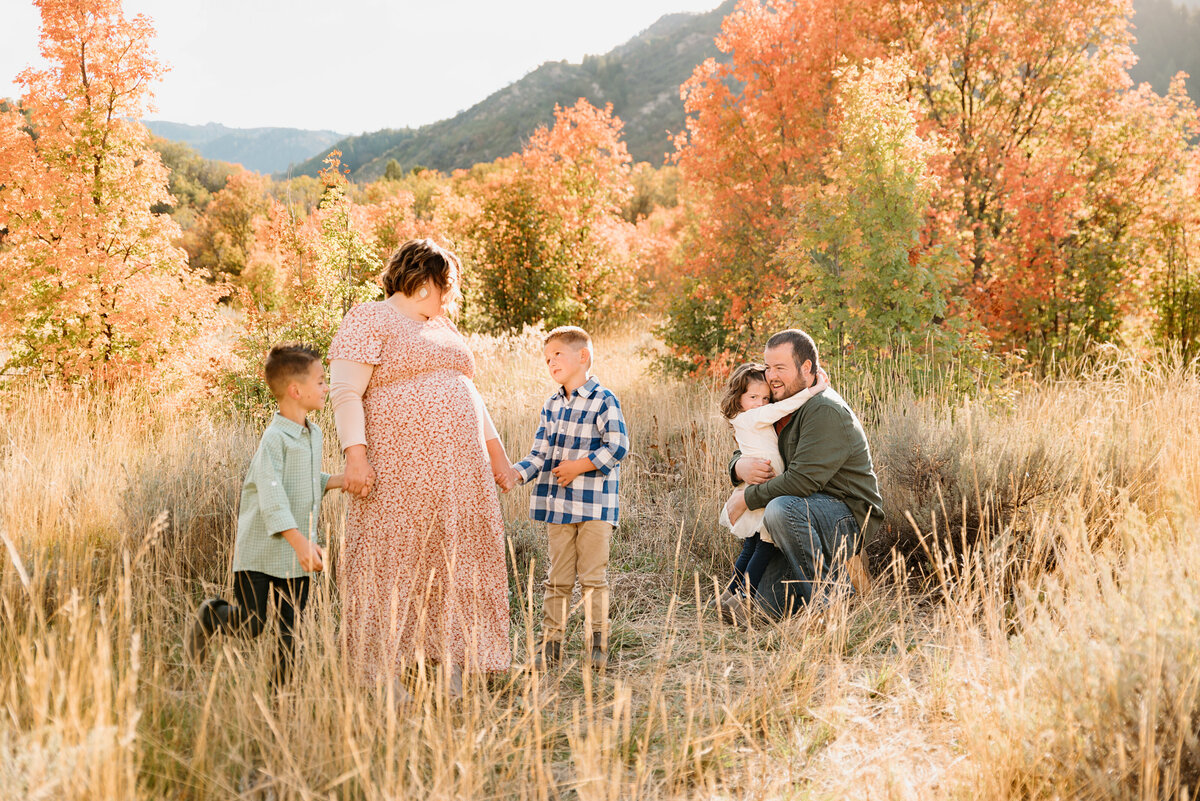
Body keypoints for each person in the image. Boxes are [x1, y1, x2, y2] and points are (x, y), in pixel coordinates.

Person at [328, 238, 514, 699]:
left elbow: (468, 393)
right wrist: (356, 455)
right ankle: (378, 672)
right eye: (446, 286)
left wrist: (498, 456)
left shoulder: (443, 327)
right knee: (392, 559)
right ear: (428, 278)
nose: (449, 297)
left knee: (456, 559)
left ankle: (454, 659)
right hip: (400, 467)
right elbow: (346, 391)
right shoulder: (371, 318)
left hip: (460, 470)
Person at [185, 344, 344, 684]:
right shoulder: (274, 439)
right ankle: (211, 616)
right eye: (320, 381)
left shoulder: (313, 434)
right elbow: (272, 497)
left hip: (295, 556)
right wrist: (302, 542)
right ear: (295, 390)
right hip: (260, 551)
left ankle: (280, 701)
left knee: (291, 634)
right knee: (253, 625)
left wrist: (337, 481)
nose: (326, 387)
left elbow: (303, 480)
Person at [723, 329, 882, 619]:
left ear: (806, 368)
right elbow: (755, 442)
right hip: (805, 512)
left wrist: (747, 497)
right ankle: (828, 581)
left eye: (780, 368)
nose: (771, 376)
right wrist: (737, 467)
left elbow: (801, 481)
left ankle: (831, 606)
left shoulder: (824, 409)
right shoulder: (781, 404)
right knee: (768, 605)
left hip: (844, 514)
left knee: (780, 508)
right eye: (768, 367)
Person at [504, 326, 629, 671]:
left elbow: (618, 446)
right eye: (546, 358)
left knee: (593, 578)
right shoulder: (552, 405)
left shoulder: (604, 398)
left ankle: (597, 648)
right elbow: (540, 453)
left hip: (595, 505)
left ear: (582, 356)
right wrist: (516, 473)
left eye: (557, 354)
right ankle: (550, 649)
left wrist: (578, 466)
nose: (551, 362)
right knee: (557, 579)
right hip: (558, 505)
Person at [712, 362, 827, 619]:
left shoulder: (750, 416)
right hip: (765, 486)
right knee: (765, 543)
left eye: (764, 397)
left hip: (764, 483)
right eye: (753, 397)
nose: (761, 403)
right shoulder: (750, 417)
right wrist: (815, 389)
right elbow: (783, 407)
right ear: (738, 398)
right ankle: (743, 597)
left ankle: (729, 594)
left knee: (753, 544)